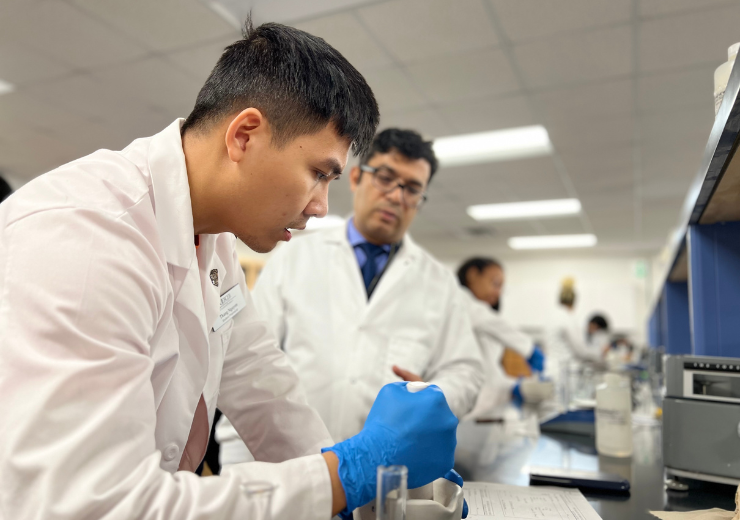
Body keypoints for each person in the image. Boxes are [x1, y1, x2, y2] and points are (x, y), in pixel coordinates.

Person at [0, 20, 460, 520]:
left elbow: (263, 383)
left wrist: (369, 491)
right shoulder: (88, 238)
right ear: (244, 135)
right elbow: (98, 506)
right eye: (318, 174)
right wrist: (346, 473)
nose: (322, 207)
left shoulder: (213, 237)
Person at [219, 128, 484, 451]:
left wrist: (436, 397)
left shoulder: (439, 283)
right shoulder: (294, 257)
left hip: (387, 467)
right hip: (283, 461)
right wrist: (237, 460)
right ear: (356, 177)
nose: (397, 197)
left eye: (413, 189)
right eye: (385, 178)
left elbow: (466, 370)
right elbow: (245, 364)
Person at [456, 257, 550, 416]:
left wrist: (512, 387)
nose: (498, 292)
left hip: (480, 411)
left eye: (501, 287)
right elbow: (486, 319)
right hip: (462, 410)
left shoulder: (479, 322)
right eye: (495, 283)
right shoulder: (459, 299)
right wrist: (528, 348)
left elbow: (490, 373)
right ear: (472, 275)